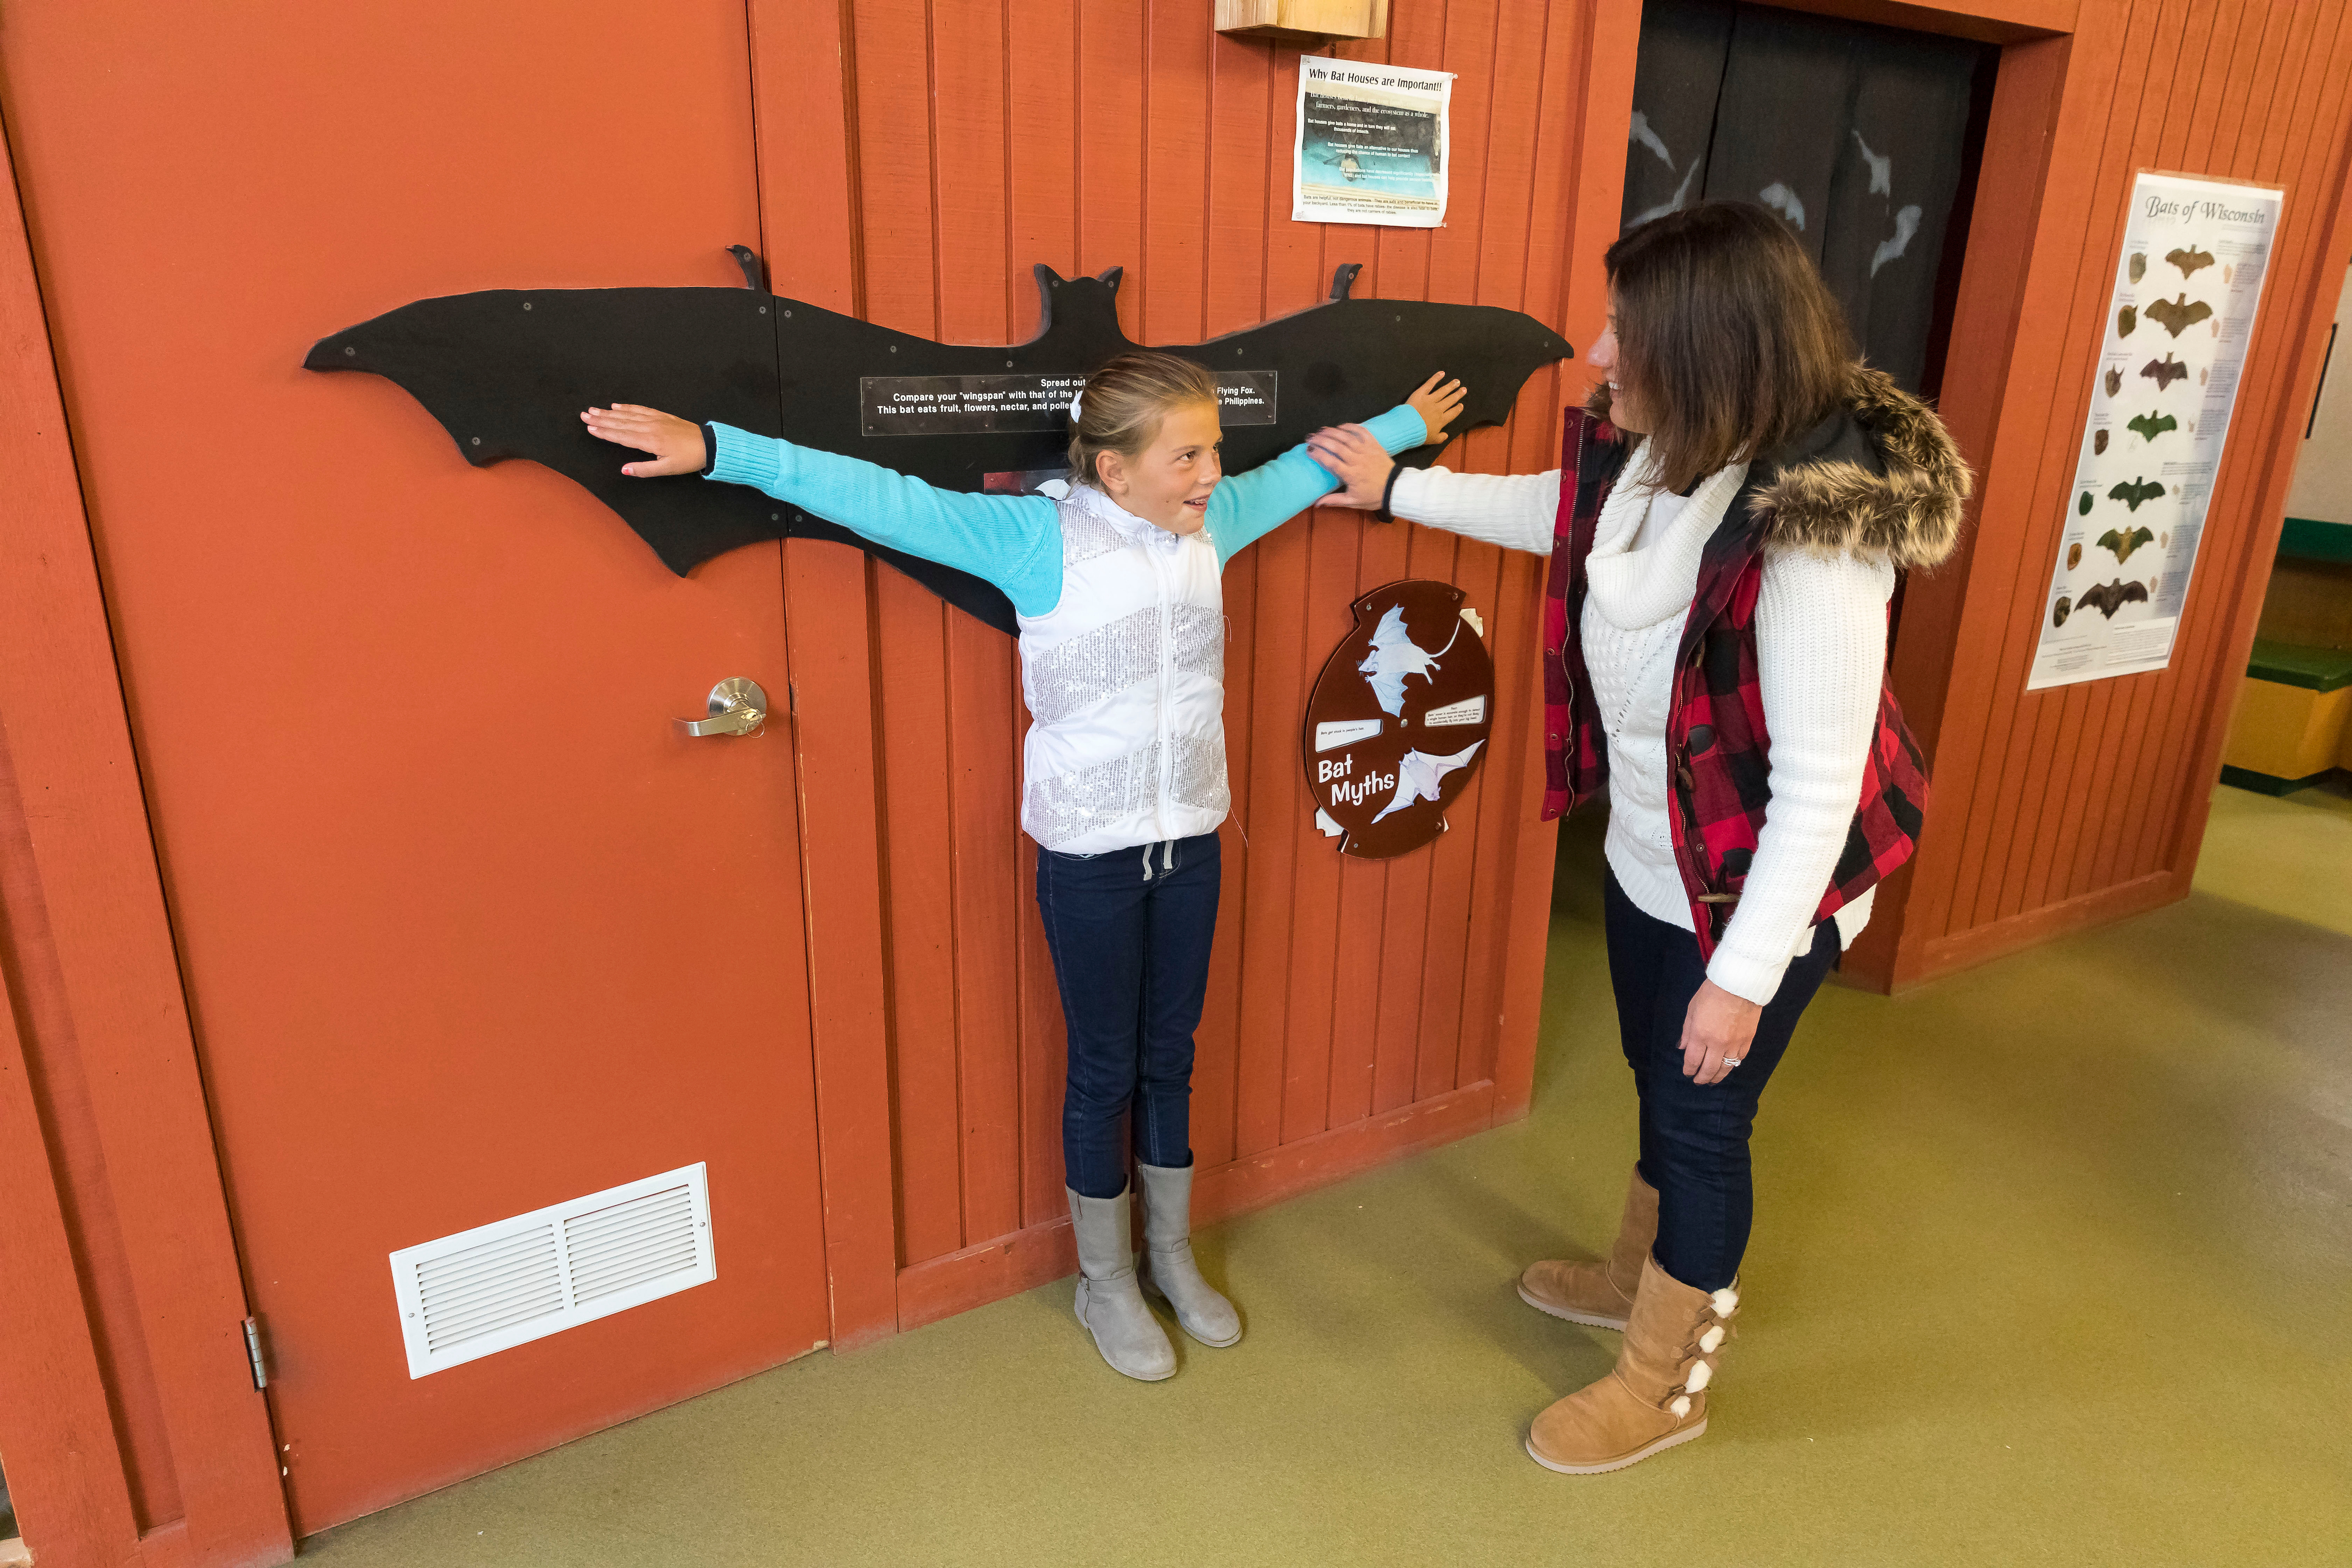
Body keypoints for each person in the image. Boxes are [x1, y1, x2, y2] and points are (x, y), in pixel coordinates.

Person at [583, 355, 1465, 1381]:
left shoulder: (1209, 526)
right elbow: (873, 494)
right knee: (1104, 1068)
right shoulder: (1036, 540)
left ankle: (1170, 1253)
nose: (1215, 470)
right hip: (1090, 855)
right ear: (1113, 467)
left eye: (1215, 449)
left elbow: (1303, 473)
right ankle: (1107, 1280)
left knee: (1168, 1054)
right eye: (1188, 454)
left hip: (1192, 845)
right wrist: (719, 449)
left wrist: (1404, 423)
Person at [1307, 201, 1968, 1471]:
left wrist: (1741, 976)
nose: (1598, 355)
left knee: (1708, 1122)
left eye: (1625, 332)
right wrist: (1398, 488)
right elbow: (1563, 514)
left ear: (1706, 348)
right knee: (1662, 1094)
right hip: (1656, 862)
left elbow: (1822, 789)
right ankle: (1634, 1271)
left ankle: (1667, 1385)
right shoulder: (1670, 452)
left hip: (1765, 899)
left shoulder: (1817, 543)